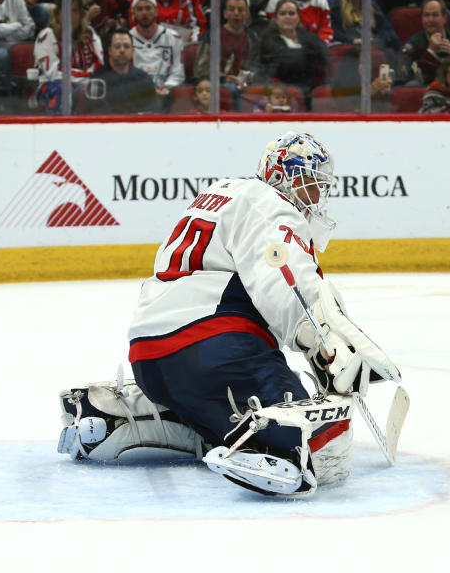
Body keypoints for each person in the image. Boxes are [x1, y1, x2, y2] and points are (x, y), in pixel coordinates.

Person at [57, 131, 401, 497]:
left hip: (149, 357)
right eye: (313, 184)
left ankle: (120, 416)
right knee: (313, 432)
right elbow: (282, 278)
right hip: (218, 350)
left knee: (216, 416)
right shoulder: (273, 205)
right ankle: (273, 445)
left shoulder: (223, 192)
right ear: (286, 176)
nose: (317, 197)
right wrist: (322, 341)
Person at [33, 0, 104, 113]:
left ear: (81, 14)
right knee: (64, 90)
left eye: (75, 11)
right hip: (49, 87)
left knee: (100, 89)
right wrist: (85, 77)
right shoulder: (47, 35)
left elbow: (99, 66)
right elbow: (53, 73)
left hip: (84, 84)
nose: (70, 15)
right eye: (65, 10)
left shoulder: (90, 33)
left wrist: (84, 81)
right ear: (57, 14)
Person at [193, 0, 259, 108]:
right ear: (225, 13)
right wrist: (223, 78)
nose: (236, 13)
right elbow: (200, 69)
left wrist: (250, 75)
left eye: (241, 9)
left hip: (244, 83)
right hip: (219, 83)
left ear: (247, 14)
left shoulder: (252, 37)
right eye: (232, 9)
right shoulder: (211, 36)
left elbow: (256, 64)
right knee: (232, 89)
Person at [256, 0, 328, 98]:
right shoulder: (268, 41)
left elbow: (323, 61)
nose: (287, 17)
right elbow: (273, 68)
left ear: (298, 17)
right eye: (283, 14)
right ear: (276, 18)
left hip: (308, 90)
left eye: (291, 13)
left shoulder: (311, 38)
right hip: (279, 92)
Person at [400, 0, 450, 85]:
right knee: (412, 85)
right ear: (421, 18)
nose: (430, 20)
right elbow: (405, 73)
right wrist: (430, 52)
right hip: (426, 88)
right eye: (426, 15)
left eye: (435, 15)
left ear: (444, 18)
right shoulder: (414, 42)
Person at [330, 0, 399, 52]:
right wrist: (352, 40)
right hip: (349, 47)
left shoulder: (372, 6)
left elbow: (386, 29)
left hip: (371, 46)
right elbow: (334, 32)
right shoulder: (337, 6)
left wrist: (378, 40)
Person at [130, 0, 185, 97]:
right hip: (136, 95)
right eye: (140, 9)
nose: (144, 13)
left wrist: (167, 87)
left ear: (156, 11)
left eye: (148, 8)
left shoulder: (173, 38)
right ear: (134, 13)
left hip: (166, 95)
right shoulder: (127, 39)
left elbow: (178, 74)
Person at [90, 29, 159, 113]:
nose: (122, 50)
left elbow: (152, 112)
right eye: (117, 46)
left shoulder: (143, 79)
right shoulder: (98, 80)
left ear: (132, 51)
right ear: (110, 51)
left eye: (126, 46)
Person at [329, 44, 394, 112]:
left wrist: (384, 93)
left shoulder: (373, 80)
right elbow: (349, 110)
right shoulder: (340, 85)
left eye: (369, 63)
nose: (367, 67)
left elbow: (387, 110)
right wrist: (372, 90)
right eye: (362, 63)